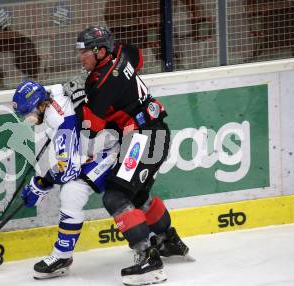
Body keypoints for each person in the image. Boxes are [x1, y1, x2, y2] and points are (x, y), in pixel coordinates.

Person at [74, 26, 189, 285]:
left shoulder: (102, 82)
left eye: (84, 52)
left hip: (143, 139)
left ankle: (149, 260)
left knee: (116, 196)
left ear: (100, 51)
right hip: (157, 132)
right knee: (138, 195)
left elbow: (92, 127)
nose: (80, 58)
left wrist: (80, 99)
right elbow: (139, 57)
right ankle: (168, 241)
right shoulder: (123, 53)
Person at [12, 80, 118, 279]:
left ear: (41, 105)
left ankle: (62, 257)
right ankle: (164, 235)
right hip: (97, 146)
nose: (29, 118)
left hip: (112, 149)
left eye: (30, 113)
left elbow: (68, 170)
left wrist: (41, 184)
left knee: (71, 192)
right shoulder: (53, 93)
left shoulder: (60, 121)